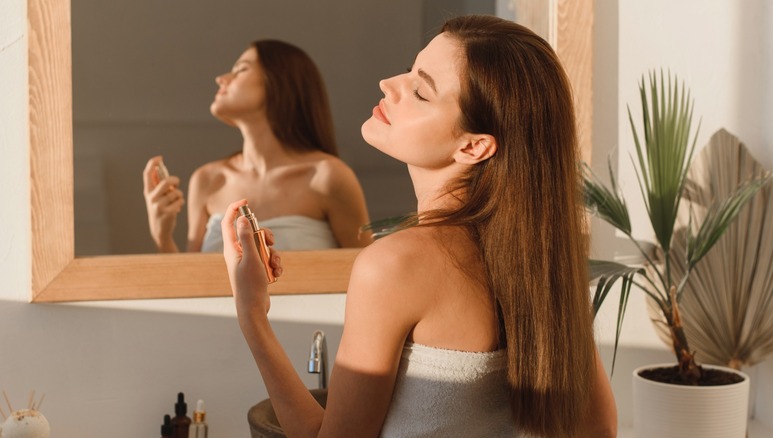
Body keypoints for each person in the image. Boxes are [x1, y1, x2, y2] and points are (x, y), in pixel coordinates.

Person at [223, 15, 617, 437]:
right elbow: (599, 430)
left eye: (420, 91)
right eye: (409, 69)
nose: (388, 84)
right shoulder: (543, 266)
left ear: (473, 146)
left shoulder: (394, 265)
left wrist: (252, 316)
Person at [143, 39, 371, 253]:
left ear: (279, 82)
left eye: (241, 69)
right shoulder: (208, 180)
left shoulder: (328, 177)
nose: (221, 78)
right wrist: (162, 235)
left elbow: (364, 269)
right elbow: (191, 277)